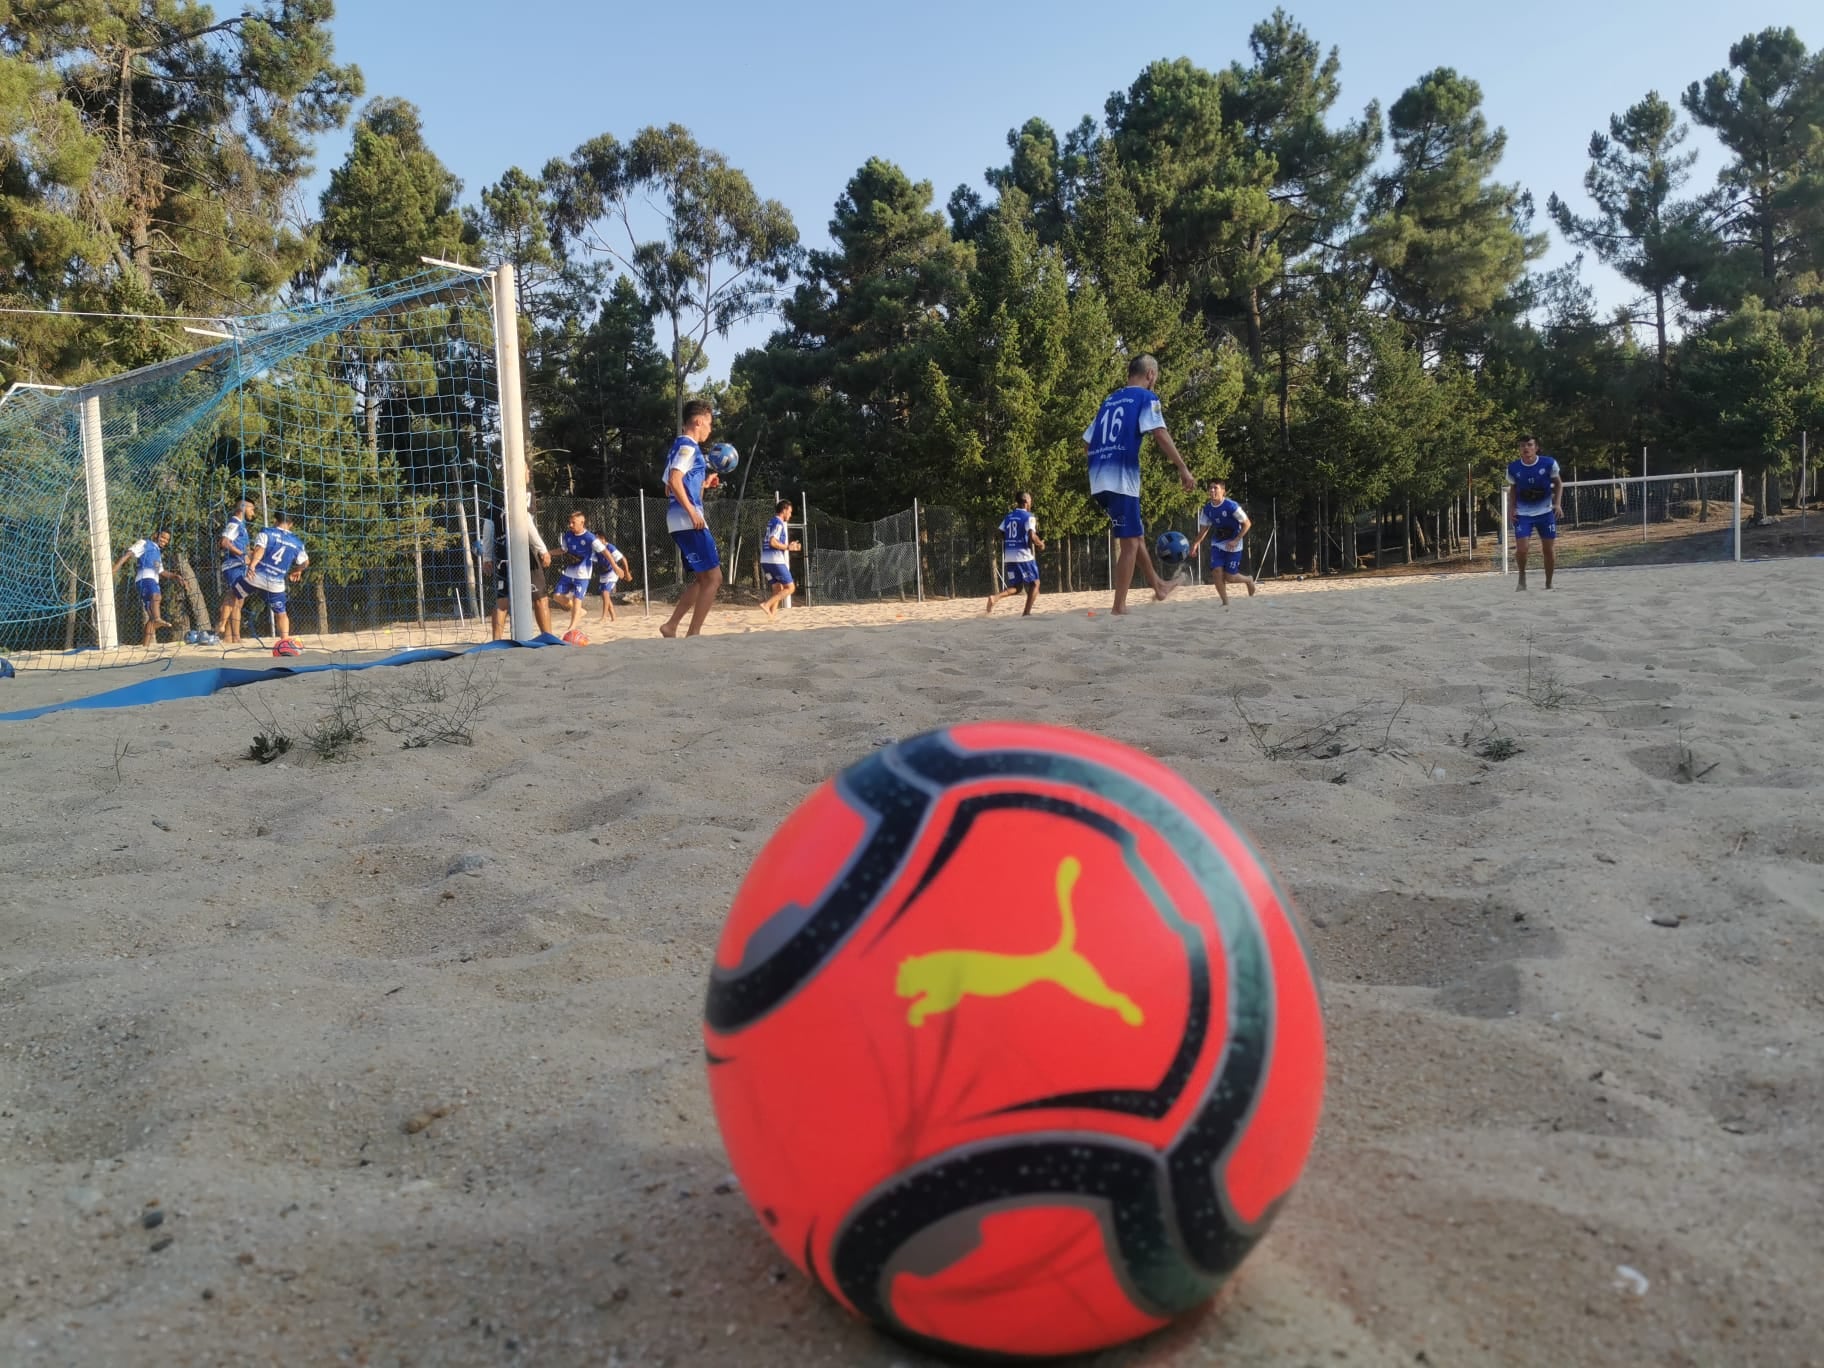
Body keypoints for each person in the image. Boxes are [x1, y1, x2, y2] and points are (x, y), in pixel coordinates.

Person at [1083, 354, 1196, 614]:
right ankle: (1119, 607)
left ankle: (1159, 586)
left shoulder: (1109, 400)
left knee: (1135, 536)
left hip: (1098, 476)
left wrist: (1103, 457)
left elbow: (1088, 441)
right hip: (1121, 477)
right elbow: (1159, 432)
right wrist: (1183, 468)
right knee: (1130, 544)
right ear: (1151, 375)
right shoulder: (1147, 397)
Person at [659, 399, 724, 638]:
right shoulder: (688, 447)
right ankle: (694, 633)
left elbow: (670, 488)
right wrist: (692, 512)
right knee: (714, 578)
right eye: (709, 423)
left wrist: (704, 484)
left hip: (678, 520)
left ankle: (671, 626)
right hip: (687, 519)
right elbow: (675, 481)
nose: (710, 429)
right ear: (698, 421)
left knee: (701, 579)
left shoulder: (676, 447)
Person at [481, 490, 553, 639]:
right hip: (523, 550)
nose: (527, 472)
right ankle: (548, 637)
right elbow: (525, 521)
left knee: (502, 601)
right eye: (526, 468)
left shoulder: (495, 499)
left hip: (502, 554)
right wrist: (542, 549)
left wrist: (487, 556)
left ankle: (496, 641)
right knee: (540, 597)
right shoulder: (524, 493)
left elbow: (487, 528)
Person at [239, 512, 309, 642]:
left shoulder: (267, 532)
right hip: (275, 584)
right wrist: (298, 570)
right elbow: (305, 562)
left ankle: (224, 631)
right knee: (281, 613)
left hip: (255, 577)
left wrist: (252, 565)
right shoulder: (297, 543)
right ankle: (285, 640)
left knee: (233, 597)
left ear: (275, 521)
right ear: (291, 525)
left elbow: (259, 550)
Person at [1190, 477, 1259, 606]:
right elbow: (1204, 529)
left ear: (1223, 491)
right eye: (1210, 488)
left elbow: (1247, 524)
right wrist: (1195, 544)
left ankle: (1248, 580)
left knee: (1230, 577)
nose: (1212, 490)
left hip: (1234, 543)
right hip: (1218, 543)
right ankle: (1225, 602)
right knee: (1216, 572)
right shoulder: (1207, 509)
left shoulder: (1231, 506)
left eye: (1215, 488)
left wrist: (1236, 539)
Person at [1507, 434, 1564, 590]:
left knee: (1548, 549)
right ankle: (1522, 576)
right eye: (1522, 445)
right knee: (1522, 549)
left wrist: (1557, 504)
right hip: (1523, 514)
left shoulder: (1548, 463)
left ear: (1536, 447)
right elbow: (1513, 489)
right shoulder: (1513, 467)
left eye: (1529, 445)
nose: (1526, 448)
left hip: (1545, 513)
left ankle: (1549, 582)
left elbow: (1559, 484)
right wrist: (1512, 508)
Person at [552, 510, 617, 635]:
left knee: (577, 599)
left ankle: (571, 628)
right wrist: (548, 553)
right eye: (569, 522)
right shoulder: (567, 536)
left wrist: (615, 566)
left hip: (583, 575)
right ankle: (579, 612)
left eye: (573, 522)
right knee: (556, 596)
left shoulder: (590, 538)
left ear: (582, 522)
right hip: (569, 572)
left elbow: (605, 552)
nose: (570, 525)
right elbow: (563, 550)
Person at [112, 530, 177, 646]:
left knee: (151, 618)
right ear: (156, 535)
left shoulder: (157, 552)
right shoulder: (144, 543)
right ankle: (158, 618)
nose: (165, 541)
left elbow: (161, 571)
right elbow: (129, 554)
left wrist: (175, 576)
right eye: (163, 537)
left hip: (152, 579)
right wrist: (114, 569)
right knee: (157, 596)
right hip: (145, 577)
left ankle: (145, 646)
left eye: (167, 540)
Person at [985, 492, 1045, 616]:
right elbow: (1032, 535)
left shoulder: (1009, 516)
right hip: (1023, 555)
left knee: (1017, 587)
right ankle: (1026, 613)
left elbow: (1000, 532)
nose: (1031, 503)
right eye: (1030, 501)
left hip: (1009, 556)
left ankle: (995, 598)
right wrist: (1040, 545)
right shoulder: (1029, 516)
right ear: (1025, 502)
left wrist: (1010, 540)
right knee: (1035, 583)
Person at [215, 498, 256, 643]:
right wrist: (241, 555)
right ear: (244, 508)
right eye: (252, 508)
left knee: (238, 601)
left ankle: (230, 637)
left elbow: (243, 549)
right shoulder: (234, 523)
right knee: (235, 595)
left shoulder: (242, 526)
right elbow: (225, 542)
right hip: (233, 565)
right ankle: (223, 625)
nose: (253, 512)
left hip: (241, 566)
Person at [760, 499, 801, 618]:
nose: (790, 515)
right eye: (790, 512)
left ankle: (771, 616)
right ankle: (767, 605)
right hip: (775, 560)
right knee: (790, 588)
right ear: (784, 510)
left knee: (777, 589)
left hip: (765, 561)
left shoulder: (771, 521)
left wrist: (789, 546)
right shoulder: (779, 523)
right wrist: (788, 547)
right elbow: (773, 542)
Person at [595, 536, 632, 624]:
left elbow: (623, 558)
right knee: (604, 596)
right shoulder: (595, 548)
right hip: (603, 574)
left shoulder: (610, 547)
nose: (595, 541)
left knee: (605, 593)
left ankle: (604, 617)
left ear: (603, 539)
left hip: (612, 572)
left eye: (597, 539)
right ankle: (613, 617)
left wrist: (626, 573)